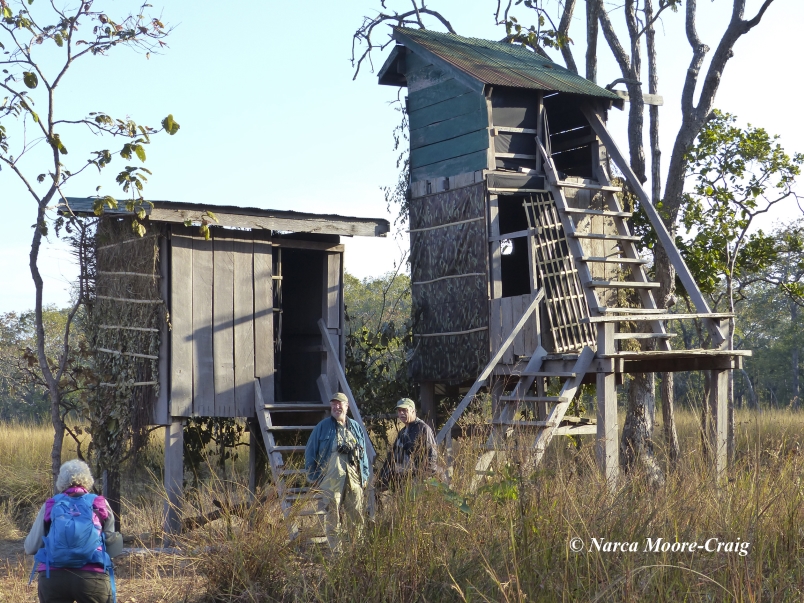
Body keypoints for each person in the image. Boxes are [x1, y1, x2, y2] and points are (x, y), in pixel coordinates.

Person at [25, 459, 116, 603]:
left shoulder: (52, 504)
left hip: (53, 577)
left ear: (61, 481)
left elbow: (30, 547)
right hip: (92, 577)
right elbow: (112, 546)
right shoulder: (99, 503)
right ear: (88, 479)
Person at [305, 392, 370, 551]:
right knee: (332, 517)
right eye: (333, 404)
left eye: (340, 403)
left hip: (353, 478)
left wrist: (365, 475)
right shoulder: (322, 427)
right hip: (331, 478)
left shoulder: (355, 427)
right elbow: (310, 452)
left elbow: (364, 455)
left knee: (357, 516)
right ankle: (336, 553)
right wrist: (313, 476)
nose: (336, 406)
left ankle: (357, 551)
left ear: (347, 406)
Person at [377, 398, 438, 491]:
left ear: (413, 411)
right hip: (402, 483)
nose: (401, 413)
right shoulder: (402, 432)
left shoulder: (423, 428)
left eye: (405, 410)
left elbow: (432, 455)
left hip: (418, 482)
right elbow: (393, 457)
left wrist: (424, 478)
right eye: (399, 410)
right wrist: (382, 479)